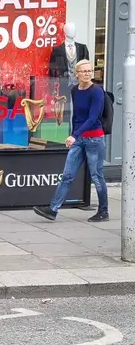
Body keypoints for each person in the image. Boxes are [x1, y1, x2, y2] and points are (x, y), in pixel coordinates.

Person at [34, 59, 108, 223]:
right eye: (84, 71)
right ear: (77, 74)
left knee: (96, 176)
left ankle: (103, 211)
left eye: (90, 71)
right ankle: (52, 210)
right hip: (79, 138)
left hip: (94, 138)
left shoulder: (97, 91)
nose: (88, 73)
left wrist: (75, 135)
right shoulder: (75, 90)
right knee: (67, 175)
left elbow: (92, 117)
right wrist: (74, 134)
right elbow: (76, 116)